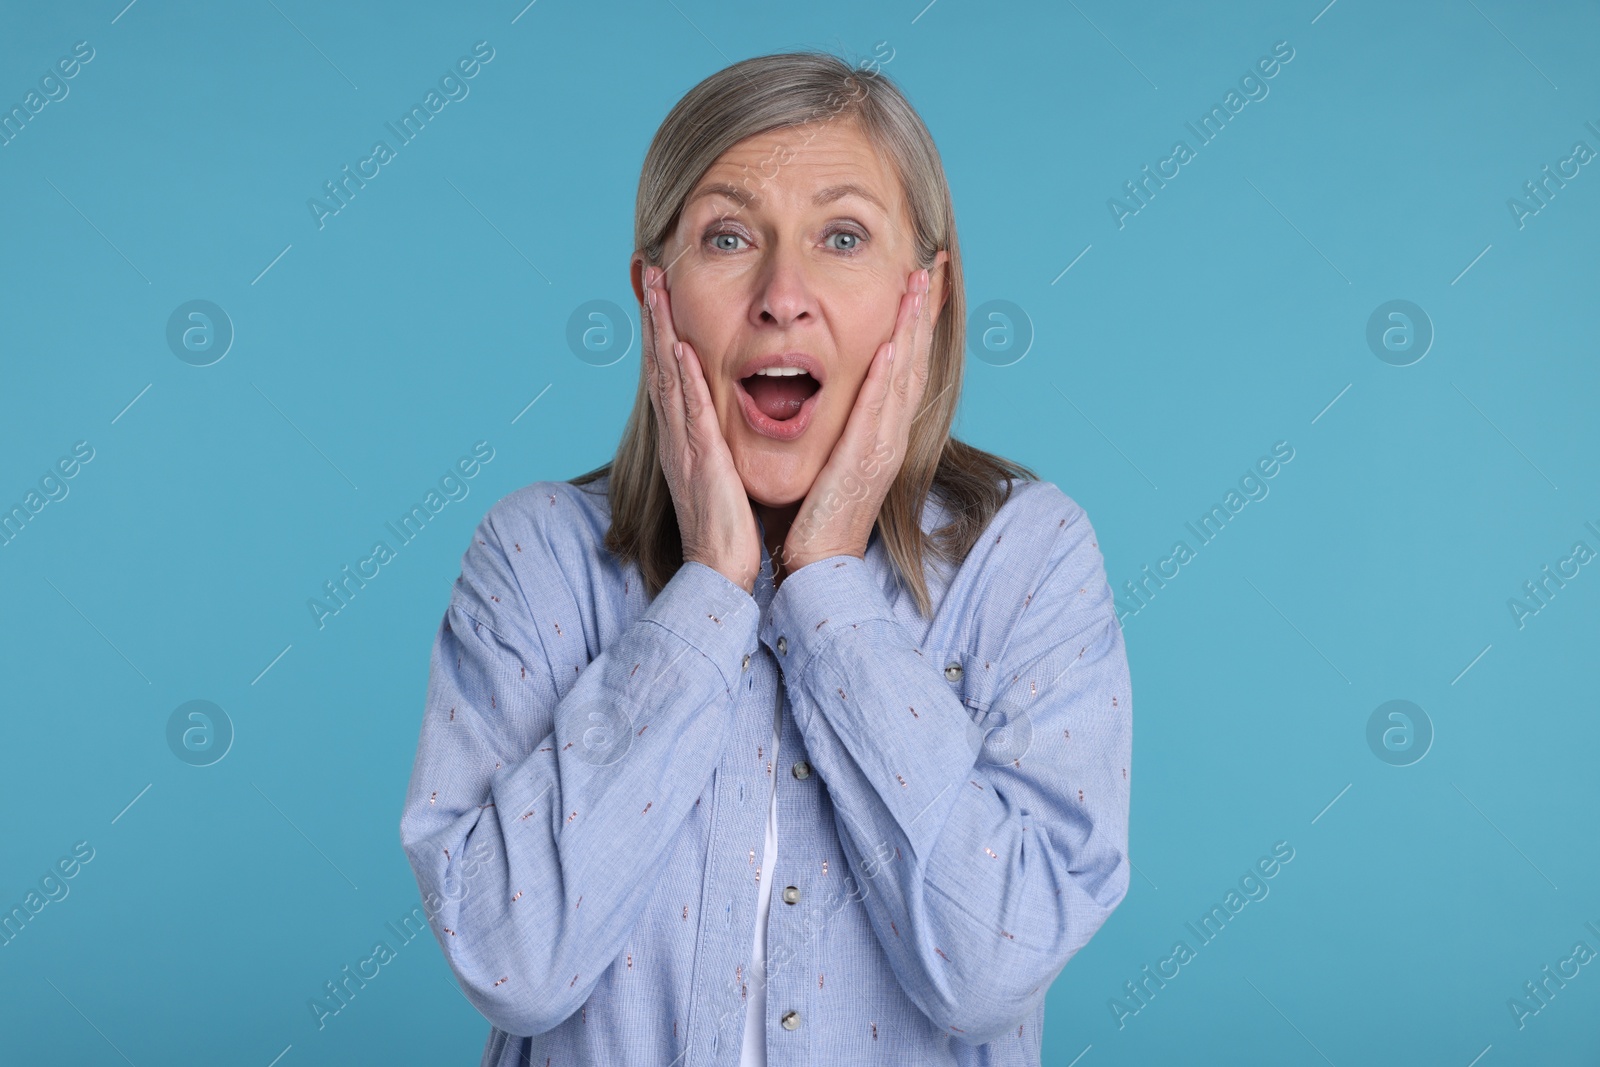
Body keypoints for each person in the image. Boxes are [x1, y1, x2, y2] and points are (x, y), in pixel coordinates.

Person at [400, 50, 1132, 1067]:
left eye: (842, 237)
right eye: (728, 237)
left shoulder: (1028, 556)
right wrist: (707, 591)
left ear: (923, 297)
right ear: (655, 294)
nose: (782, 295)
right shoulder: (534, 556)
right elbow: (512, 961)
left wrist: (826, 582)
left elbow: (990, 965)